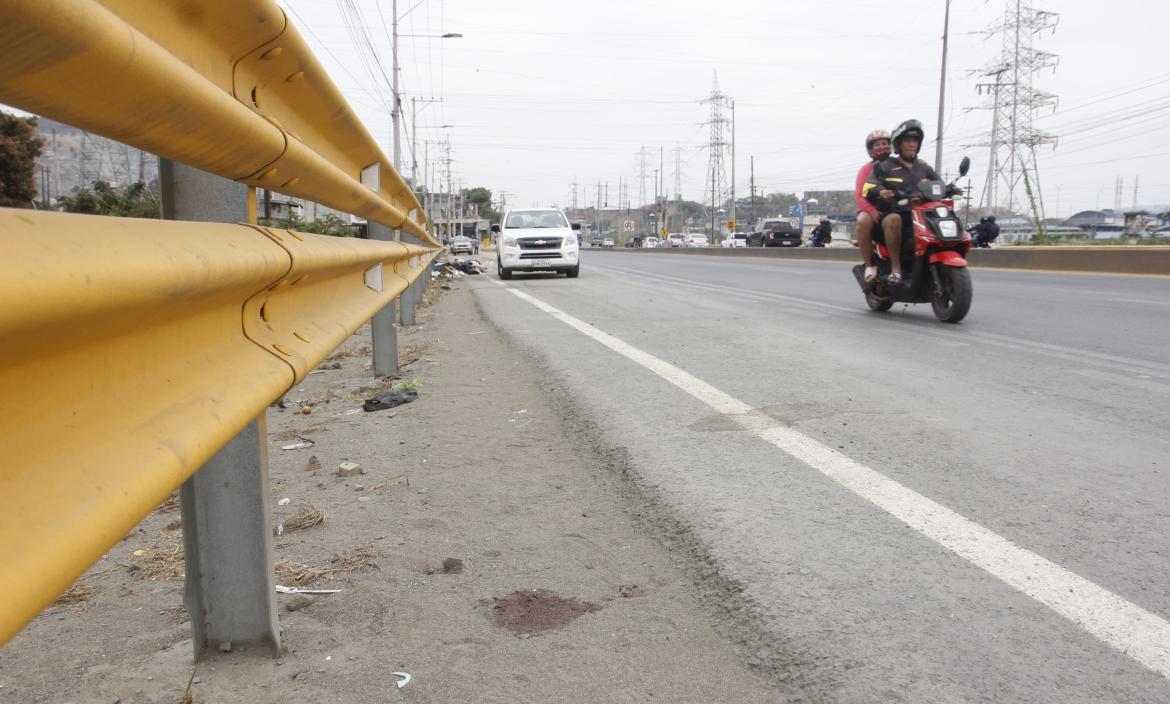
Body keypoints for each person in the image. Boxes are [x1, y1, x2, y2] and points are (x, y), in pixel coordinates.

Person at [863, 119, 940, 285]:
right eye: (907, 141)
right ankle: (896, 270)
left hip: (922, 217)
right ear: (898, 144)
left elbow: (938, 184)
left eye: (914, 141)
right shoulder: (885, 166)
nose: (912, 144)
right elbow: (867, 188)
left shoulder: (924, 167)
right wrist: (881, 191)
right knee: (893, 219)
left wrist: (950, 188)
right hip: (896, 215)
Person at [855, 129, 892, 283]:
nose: (881, 147)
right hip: (873, 209)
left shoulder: (898, 165)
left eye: (884, 143)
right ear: (871, 149)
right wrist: (872, 210)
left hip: (897, 208)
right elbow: (860, 196)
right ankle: (869, 265)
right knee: (863, 221)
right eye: (877, 144)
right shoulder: (866, 170)